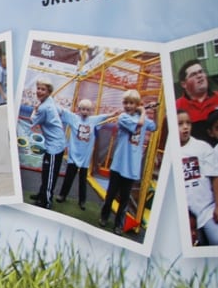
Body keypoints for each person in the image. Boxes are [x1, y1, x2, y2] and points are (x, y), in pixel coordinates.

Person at [99, 90, 157, 234]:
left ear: (136, 104)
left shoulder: (140, 116)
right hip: (118, 164)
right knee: (110, 194)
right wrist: (143, 110)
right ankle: (104, 216)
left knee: (124, 198)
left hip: (131, 167)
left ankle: (118, 224)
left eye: (132, 103)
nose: (128, 106)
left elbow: (153, 127)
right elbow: (140, 124)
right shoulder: (123, 117)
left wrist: (153, 112)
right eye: (126, 102)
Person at [55, 99, 115, 210]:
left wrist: (115, 113)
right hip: (73, 155)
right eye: (82, 109)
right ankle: (62, 195)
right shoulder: (74, 118)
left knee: (83, 180)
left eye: (87, 110)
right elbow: (62, 111)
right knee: (69, 176)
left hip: (85, 157)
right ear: (79, 109)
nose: (85, 112)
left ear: (91, 111)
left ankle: (82, 201)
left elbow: (106, 117)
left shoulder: (93, 120)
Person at [179, 109, 218, 247]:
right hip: (187, 215)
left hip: (208, 211)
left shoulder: (202, 148)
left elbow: (215, 178)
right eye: (180, 124)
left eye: (188, 123)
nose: (185, 127)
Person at [29, 77, 66, 208]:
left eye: (43, 89)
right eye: (38, 88)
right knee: (46, 172)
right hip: (55, 144)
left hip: (55, 146)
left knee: (49, 174)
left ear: (49, 91)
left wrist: (35, 109)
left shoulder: (44, 107)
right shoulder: (49, 101)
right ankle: (42, 194)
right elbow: (60, 110)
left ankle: (46, 201)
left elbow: (32, 121)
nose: (39, 91)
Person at [174, 59, 218, 142]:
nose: (199, 76)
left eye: (201, 72)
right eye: (193, 74)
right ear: (184, 84)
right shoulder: (177, 106)